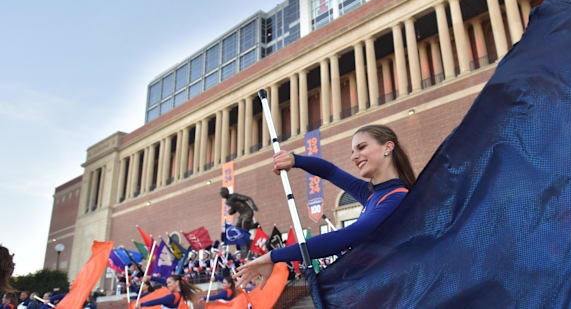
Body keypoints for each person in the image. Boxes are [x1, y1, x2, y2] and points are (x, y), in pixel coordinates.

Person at [235, 124, 415, 288]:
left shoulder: (398, 198)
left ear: (388, 147)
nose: (354, 157)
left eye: (361, 147)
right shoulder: (370, 194)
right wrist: (294, 159)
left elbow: (345, 237)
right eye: (352, 152)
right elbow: (330, 172)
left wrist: (272, 257)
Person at [133, 275, 200, 309]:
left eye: (169, 283)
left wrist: (142, 304)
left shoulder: (173, 297)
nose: (168, 285)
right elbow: (164, 281)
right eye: (167, 283)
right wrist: (150, 278)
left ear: (177, 282)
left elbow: (158, 301)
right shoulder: (181, 294)